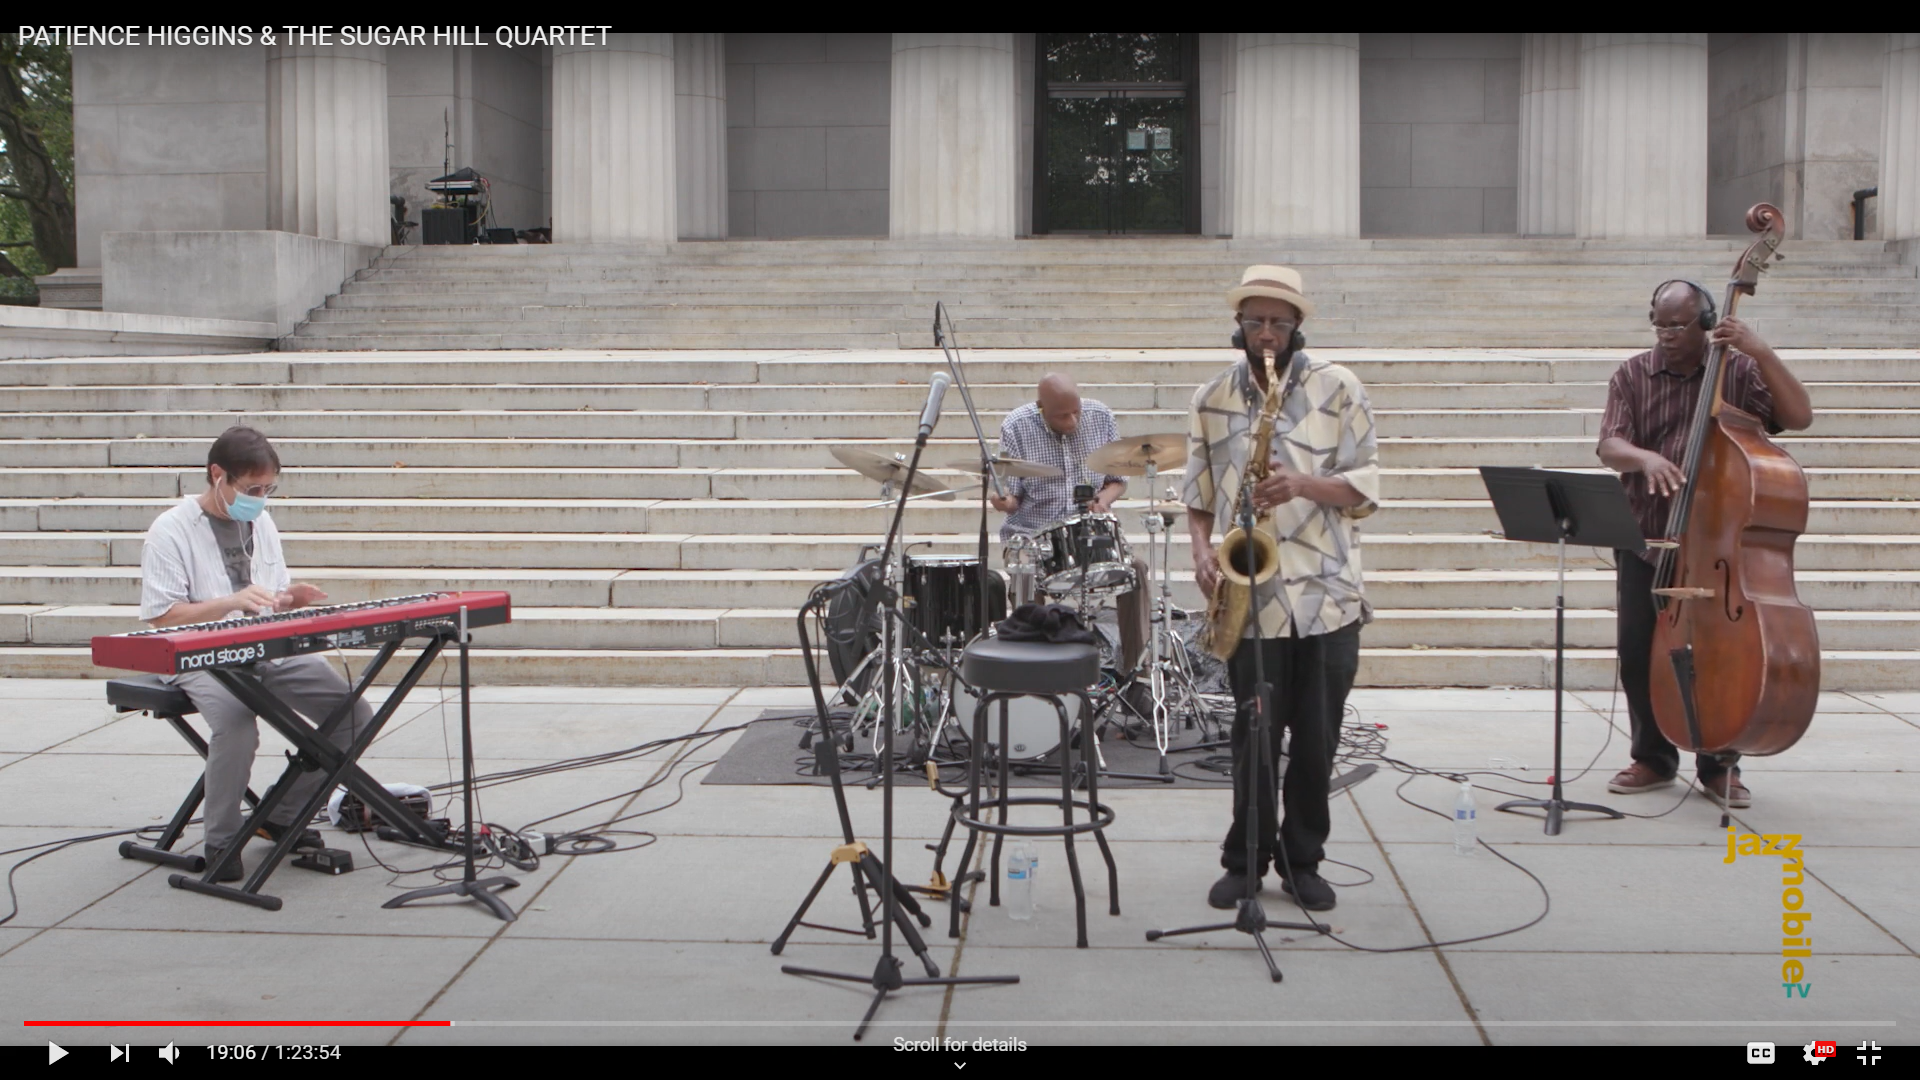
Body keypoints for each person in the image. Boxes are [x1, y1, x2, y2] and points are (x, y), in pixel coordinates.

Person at [1184, 265, 1379, 912]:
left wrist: (1301, 484)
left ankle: (1303, 860)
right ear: (1238, 327)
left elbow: (1365, 488)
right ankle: (1244, 860)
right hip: (1252, 596)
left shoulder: (1339, 388)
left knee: (1317, 740)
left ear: (1298, 328)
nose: (1266, 334)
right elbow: (1198, 493)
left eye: (1279, 323)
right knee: (1253, 736)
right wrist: (1202, 551)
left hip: (1327, 592)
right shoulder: (1213, 397)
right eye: (1255, 322)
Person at [1597, 280, 1814, 810]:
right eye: (1659, 324)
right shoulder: (1632, 373)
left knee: (1717, 653)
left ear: (1707, 322)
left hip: (1718, 541)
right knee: (1637, 650)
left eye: (1678, 326)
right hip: (1650, 535)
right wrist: (1643, 458)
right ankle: (1652, 757)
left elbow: (1799, 416)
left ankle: (1719, 763)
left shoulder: (1736, 373)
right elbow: (1609, 443)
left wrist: (1760, 349)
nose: (1666, 336)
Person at [139, 426, 367, 881]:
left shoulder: (261, 521)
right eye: (252, 489)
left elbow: (269, 594)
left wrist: (289, 598)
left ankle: (280, 816)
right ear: (217, 475)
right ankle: (222, 842)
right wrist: (230, 602)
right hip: (199, 656)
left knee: (353, 713)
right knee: (237, 724)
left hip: (264, 646)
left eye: (268, 489)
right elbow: (161, 616)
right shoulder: (170, 529)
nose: (261, 498)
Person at [991, 374, 1150, 669]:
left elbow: (1117, 480)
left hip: (1087, 532)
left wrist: (1103, 501)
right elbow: (1012, 501)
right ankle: (1033, 671)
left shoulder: (1100, 416)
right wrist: (1002, 501)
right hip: (1033, 535)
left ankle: (1136, 671)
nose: (1072, 421)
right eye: (1062, 416)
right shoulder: (1017, 426)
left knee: (1136, 569)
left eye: (1075, 411)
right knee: (1025, 570)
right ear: (1041, 408)